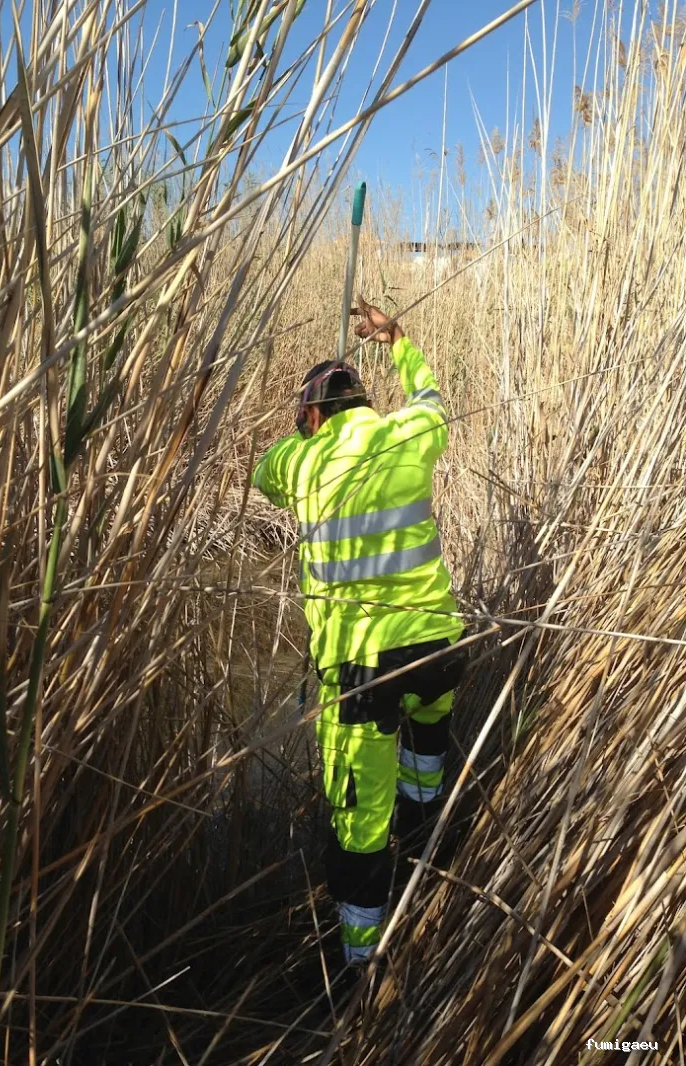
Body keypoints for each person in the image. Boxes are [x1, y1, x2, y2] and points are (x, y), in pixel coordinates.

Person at [251, 297, 466, 967]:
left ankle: (360, 968)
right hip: (439, 650)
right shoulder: (410, 434)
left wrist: (305, 430)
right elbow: (431, 397)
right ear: (366, 404)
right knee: (424, 759)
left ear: (313, 416)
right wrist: (396, 337)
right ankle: (426, 847)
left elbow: (263, 474)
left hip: (363, 671)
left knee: (359, 827)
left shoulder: (302, 462)